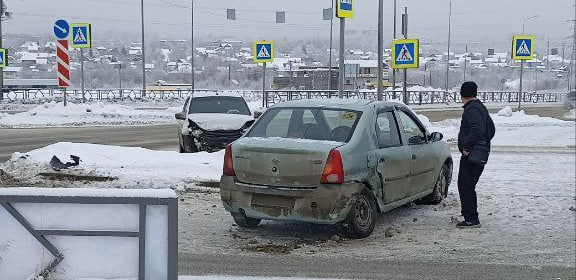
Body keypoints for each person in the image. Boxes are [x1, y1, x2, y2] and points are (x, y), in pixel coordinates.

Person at [457, 81, 495, 228]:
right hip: (479, 153)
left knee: (465, 185)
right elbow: (491, 129)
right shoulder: (480, 107)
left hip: (471, 155)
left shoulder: (471, 109)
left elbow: (477, 129)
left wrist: (467, 146)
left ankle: (471, 219)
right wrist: (484, 144)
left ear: (462, 94)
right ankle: (470, 214)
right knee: (468, 185)